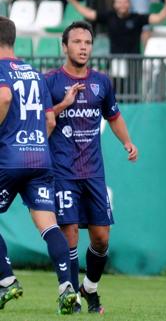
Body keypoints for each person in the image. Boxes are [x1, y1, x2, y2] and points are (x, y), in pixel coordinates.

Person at [45, 21, 138, 314]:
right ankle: (71, 298)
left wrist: (127, 142)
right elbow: (44, 121)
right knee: (69, 233)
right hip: (63, 171)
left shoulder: (101, 82)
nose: (83, 47)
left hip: (94, 173)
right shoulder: (51, 82)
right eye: (77, 42)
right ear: (64, 46)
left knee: (101, 238)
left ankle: (90, 288)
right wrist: (63, 104)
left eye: (87, 42)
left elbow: (113, 116)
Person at [0, 16, 77, 314]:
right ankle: (66, 287)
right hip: (39, 157)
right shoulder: (34, 73)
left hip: (8, 158)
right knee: (49, 227)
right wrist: (33, 144)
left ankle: (6, 280)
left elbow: (4, 98)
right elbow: (49, 120)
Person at [65, 0, 166, 55]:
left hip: (134, 62)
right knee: (116, 90)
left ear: (130, 4)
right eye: (119, 2)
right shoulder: (109, 16)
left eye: (125, 2)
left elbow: (159, 18)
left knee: (133, 91)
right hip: (115, 60)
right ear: (115, 5)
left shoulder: (137, 18)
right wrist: (72, 1)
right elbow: (89, 14)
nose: (122, 5)